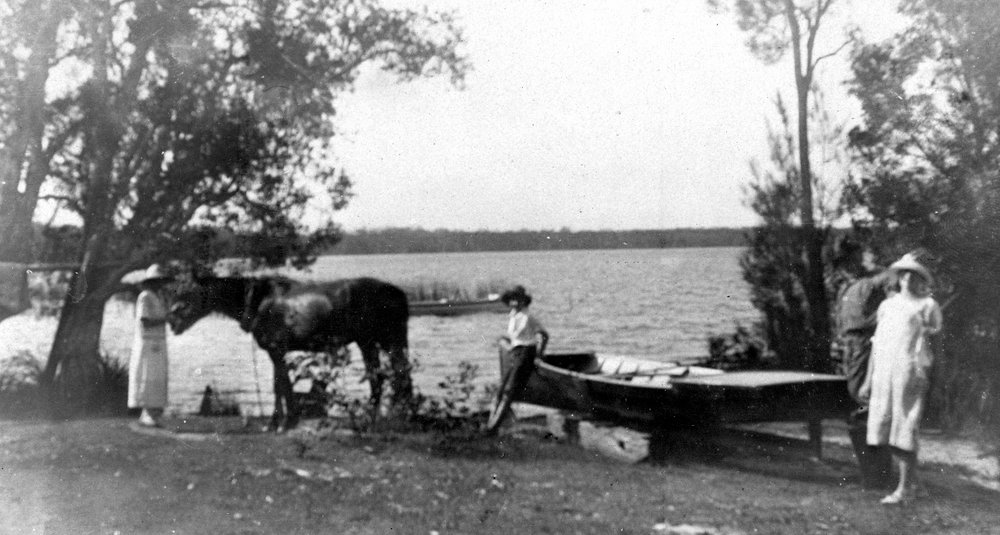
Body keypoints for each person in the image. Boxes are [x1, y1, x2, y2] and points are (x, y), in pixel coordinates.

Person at [864, 253, 942, 504]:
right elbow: (877, 345)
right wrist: (868, 378)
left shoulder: (927, 306)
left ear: (921, 279)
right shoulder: (887, 305)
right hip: (884, 373)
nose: (907, 277)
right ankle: (912, 484)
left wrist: (929, 373)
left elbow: (936, 346)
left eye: (914, 274)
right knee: (886, 427)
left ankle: (903, 489)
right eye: (904, 272)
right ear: (898, 277)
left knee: (905, 427)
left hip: (909, 372)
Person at [832, 240, 895, 489]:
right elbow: (842, 318)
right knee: (856, 406)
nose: (850, 265)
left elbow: (892, 277)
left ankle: (876, 476)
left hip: (863, 345)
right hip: (848, 345)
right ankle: (870, 475)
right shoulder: (847, 286)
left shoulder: (873, 281)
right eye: (847, 260)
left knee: (863, 405)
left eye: (855, 258)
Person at [487, 285, 549, 432]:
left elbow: (544, 335)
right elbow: (514, 336)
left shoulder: (529, 317)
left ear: (523, 301)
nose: (513, 304)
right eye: (511, 301)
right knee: (501, 389)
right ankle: (492, 421)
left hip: (526, 352)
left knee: (510, 390)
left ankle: (493, 428)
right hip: (515, 352)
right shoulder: (513, 315)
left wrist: (539, 354)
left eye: (517, 301)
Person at [128, 263, 172, 427]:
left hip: (159, 342)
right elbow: (145, 321)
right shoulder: (145, 296)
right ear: (150, 281)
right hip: (147, 343)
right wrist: (166, 319)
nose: (160, 283)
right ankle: (147, 412)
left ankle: (155, 412)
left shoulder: (158, 297)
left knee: (158, 376)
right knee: (148, 375)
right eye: (157, 280)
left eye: (161, 281)